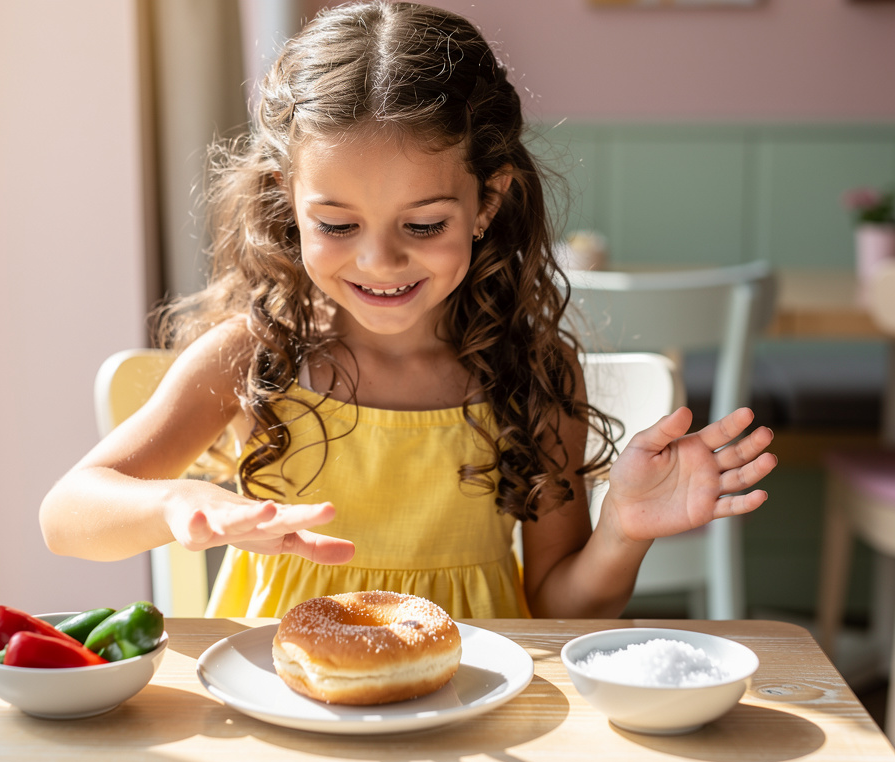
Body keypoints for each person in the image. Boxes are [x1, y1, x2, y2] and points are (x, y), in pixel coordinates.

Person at [39, 1, 776, 619]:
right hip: (282, 713)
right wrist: (176, 504)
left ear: (488, 201)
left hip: (475, 716)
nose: (379, 262)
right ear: (288, 203)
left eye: (423, 226)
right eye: (336, 225)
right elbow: (68, 515)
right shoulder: (252, 357)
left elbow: (560, 611)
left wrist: (623, 529)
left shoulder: (530, 370)